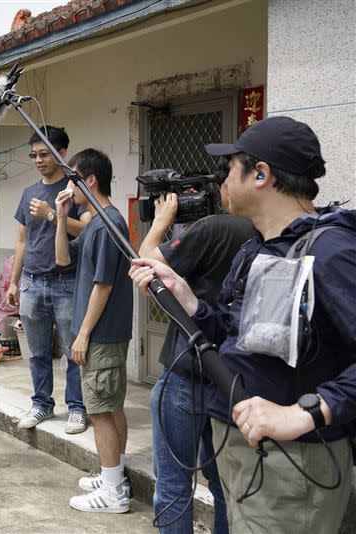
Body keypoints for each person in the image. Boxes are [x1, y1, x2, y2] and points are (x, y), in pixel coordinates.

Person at [130, 116, 356, 532]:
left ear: (261, 175)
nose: (222, 182)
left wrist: (307, 413)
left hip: (292, 471)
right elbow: (240, 340)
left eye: (228, 169)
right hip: (245, 459)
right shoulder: (256, 250)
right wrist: (190, 301)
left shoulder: (331, 251)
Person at [140, 185, 254, 533]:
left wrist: (161, 223)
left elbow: (146, 264)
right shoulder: (269, 235)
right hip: (233, 379)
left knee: (174, 485)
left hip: (187, 372)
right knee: (224, 488)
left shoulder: (213, 228)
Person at [53, 148, 133, 513]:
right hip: (103, 331)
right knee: (110, 405)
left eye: (73, 178)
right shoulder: (97, 221)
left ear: (90, 180)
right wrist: (60, 218)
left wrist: (83, 333)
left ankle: (114, 490)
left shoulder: (107, 223)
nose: (69, 185)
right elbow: (62, 259)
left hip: (101, 333)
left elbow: (103, 285)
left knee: (100, 409)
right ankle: (113, 472)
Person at [6, 125, 92, 434]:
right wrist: (14, 283)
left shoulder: (75, 189)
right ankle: (41, 404)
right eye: (33, 155)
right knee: (37, 351)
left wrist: (52, 214)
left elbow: (87, 230)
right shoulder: (29, 193)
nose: (39, 160)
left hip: (66, 281)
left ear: (62, 153)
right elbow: (21, 241)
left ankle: (77, 408)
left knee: (73, 352)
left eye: (44, 154)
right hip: (31, 281)